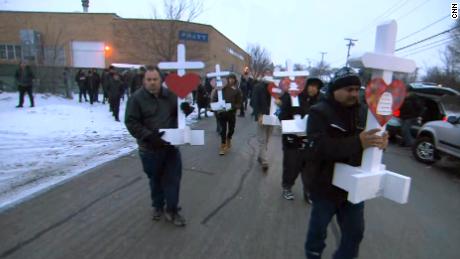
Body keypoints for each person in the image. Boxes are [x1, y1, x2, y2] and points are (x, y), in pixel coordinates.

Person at [304, 67, 389, 259]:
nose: (354, 94)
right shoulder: (319, 112)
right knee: (317, 233)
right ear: (336, 90)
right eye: (349, 89)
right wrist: (358, 142)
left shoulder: (365, 113)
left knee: (355, 234)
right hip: (324, 185)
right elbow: (317, 148)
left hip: (353, 189)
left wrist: (381, 144)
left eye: (357, 89)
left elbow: (373, 141)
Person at [125, 65, 191, 227]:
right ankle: (158, 206)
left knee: (172, 179)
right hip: (149, 149)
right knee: (155, 179)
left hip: (170, 147)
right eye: (149, 79)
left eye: (155, 79)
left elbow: (178, 114)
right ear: (144, 80)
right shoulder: (136, 98)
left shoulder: (170, 95)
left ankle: (172, 209)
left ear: (161, 80)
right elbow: (131, 122)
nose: (152, 82)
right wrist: (149, 136)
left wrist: (185, 110)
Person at [278, 78, 322, 202]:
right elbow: (281, 115)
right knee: (291, 165)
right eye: (311, 85)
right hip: (292, 139)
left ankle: (307, 191)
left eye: (316, 87)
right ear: (306, 86)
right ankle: (287, 187)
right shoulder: (292, 97)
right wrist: (291, 125)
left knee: (309, 169)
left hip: (309, 141)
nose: (313, 89)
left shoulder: (318, 102)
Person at [251, 76, 278, 171]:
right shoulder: (259, 87)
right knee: (263, 139)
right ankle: (265, 161)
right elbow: (254, 102)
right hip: (265, 116)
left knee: (265, 139)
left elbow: (253, 102)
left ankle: (261, 156)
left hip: (270, 117)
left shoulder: (277, 89)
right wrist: (259, 114)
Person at [211, 73, 242, 155]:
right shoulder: (221, 88)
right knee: (222, 130)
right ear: (227, 79)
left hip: (231, 113)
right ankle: (223, 145)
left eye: (233, 78)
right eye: (230, 78)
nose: (231, 80)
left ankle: (229, 138)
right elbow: (214, 98)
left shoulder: (237, 90)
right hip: (222, 114)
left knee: (231, 129)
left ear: (235, 80)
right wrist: (214, 106)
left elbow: (239, 103)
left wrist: (232, 106)